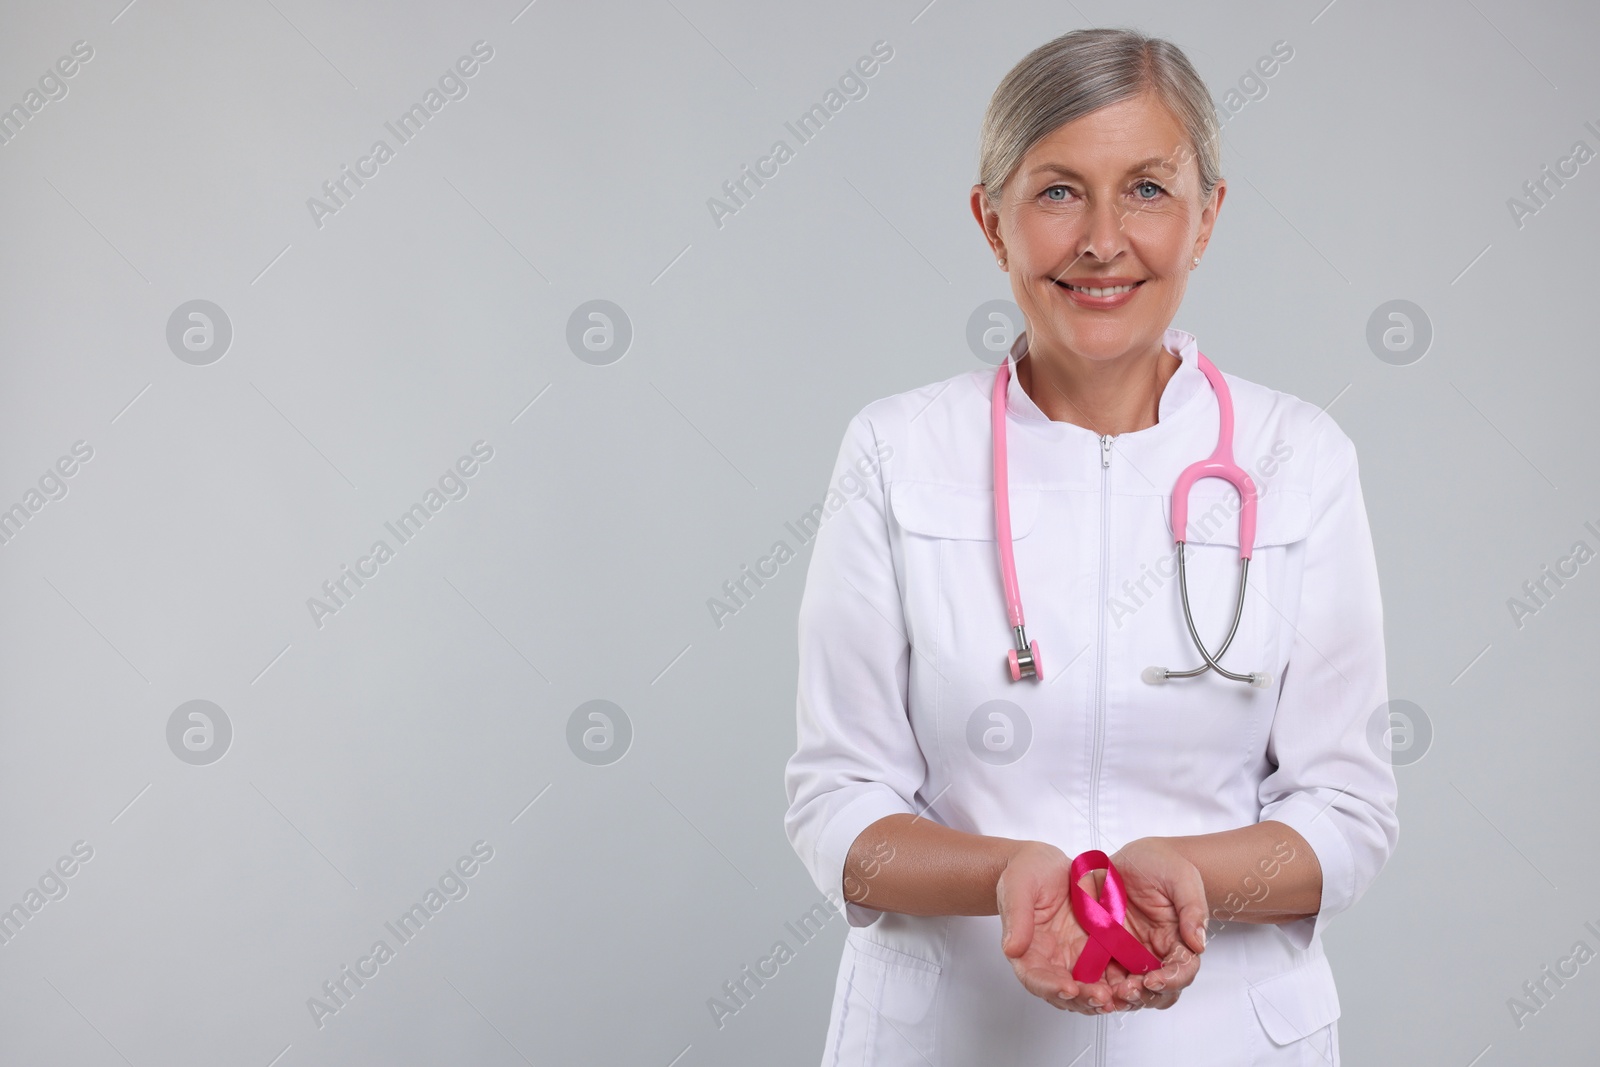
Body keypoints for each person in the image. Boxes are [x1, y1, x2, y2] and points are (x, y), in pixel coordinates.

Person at [782, 26, 1399, 1066]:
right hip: (953, 1038)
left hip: (1226, 1039)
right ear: (992, 222)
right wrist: (1010, 874)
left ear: (1206, 217)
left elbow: (1347, 809)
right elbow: (837, 803)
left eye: (1149, 190)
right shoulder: (896, 451)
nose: (1103, 240)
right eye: (1059, 191)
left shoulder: (1301, 457)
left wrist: (1185, 872)